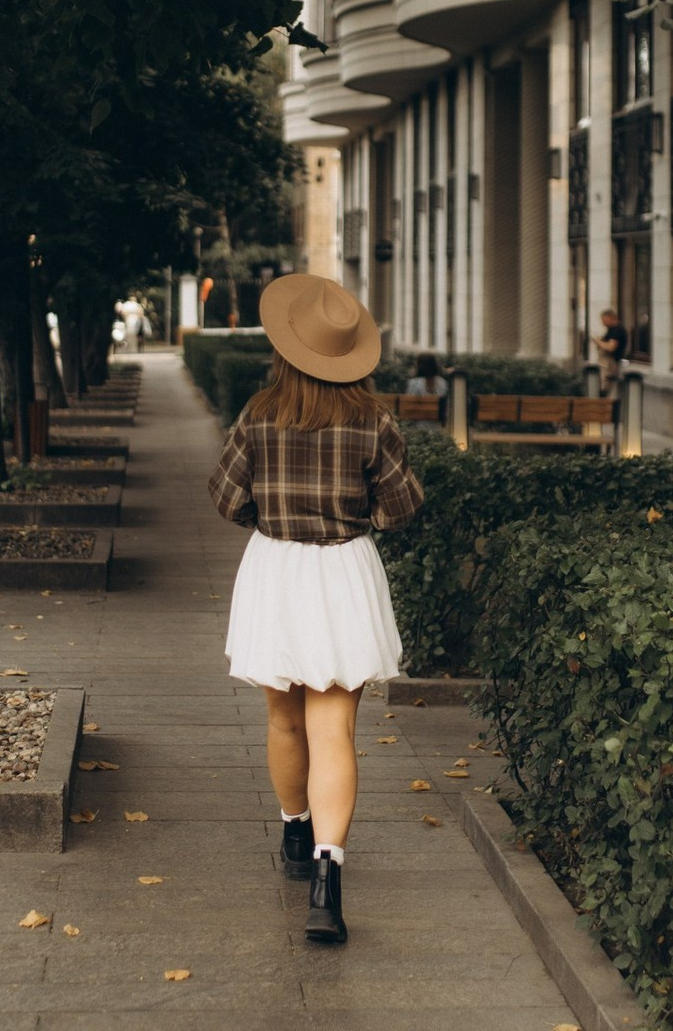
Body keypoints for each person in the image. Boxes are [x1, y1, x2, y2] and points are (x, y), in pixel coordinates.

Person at [208, 274, 424, 945]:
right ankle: (328, 886)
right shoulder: (373, 421)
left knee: (283, 719)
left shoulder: (259, 413)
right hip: (341, 572)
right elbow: (403, 507)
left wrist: (267, 512)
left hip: (276, 569)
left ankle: (295, 832)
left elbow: (224, 495)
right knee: (335, 731)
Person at [592, 308, 629, 395]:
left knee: (606, 388)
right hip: (606, 363)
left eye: (604, 320)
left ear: (610, 318)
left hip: (610, 364)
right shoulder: (611, 329)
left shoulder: (618, 330)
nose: (603, 323)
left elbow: (611, 347)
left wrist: (598, 342)